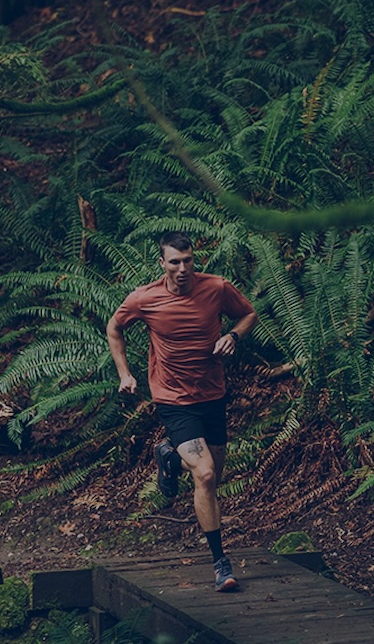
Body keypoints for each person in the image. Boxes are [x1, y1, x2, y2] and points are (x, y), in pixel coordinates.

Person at [106, 232, 257, 591]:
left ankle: (170, 457)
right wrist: (124, 373)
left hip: (212, 394)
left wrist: (234, 336)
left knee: (214, 476)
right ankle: (221, 563)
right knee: (204, 475)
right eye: (175, 261)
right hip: (172, 398)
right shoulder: (144, 298)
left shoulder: (217, 288)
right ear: (162, 264)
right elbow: (114, 328)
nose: (183, 267)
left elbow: (248, 314)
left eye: (188, 260)